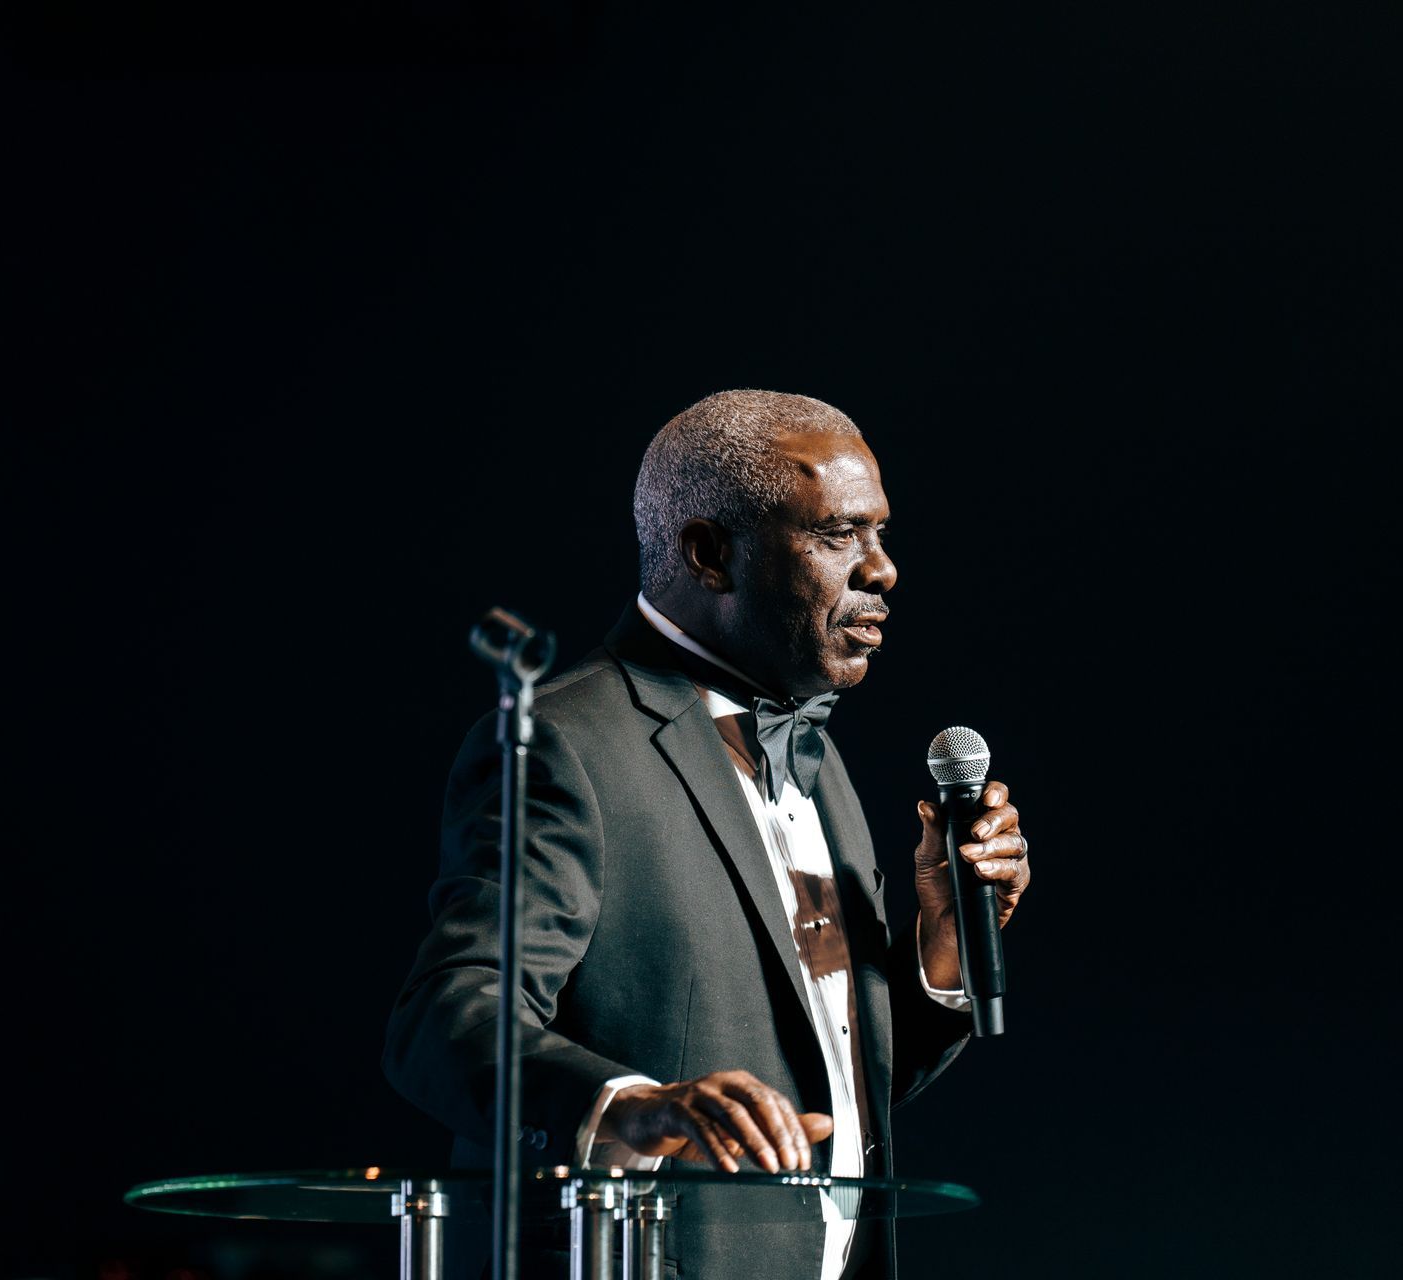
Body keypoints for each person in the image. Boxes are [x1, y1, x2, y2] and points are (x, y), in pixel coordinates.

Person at [384, 390, 1032, 1280]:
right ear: (710, 554)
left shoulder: (820, 761)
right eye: (839, 535)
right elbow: (444, 1018)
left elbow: (836, 1081)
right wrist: (634, 1108)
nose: (883, 571)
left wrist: (943, 945)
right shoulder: (565, 744)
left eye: (880, 535)